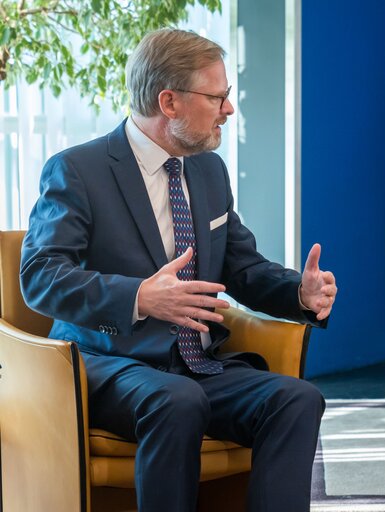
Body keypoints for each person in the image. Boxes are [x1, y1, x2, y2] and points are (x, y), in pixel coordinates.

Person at [20, 28, 337, 512]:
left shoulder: (208, 170)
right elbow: (40, 274)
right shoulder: (77, 170)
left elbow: (242, 266)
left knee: (297, 399)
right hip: (110, 363)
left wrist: (299, 293)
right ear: (168, 102)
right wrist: (138, 297)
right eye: (218, 97)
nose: (228, 109)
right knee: (177, 400)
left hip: (198, 364)